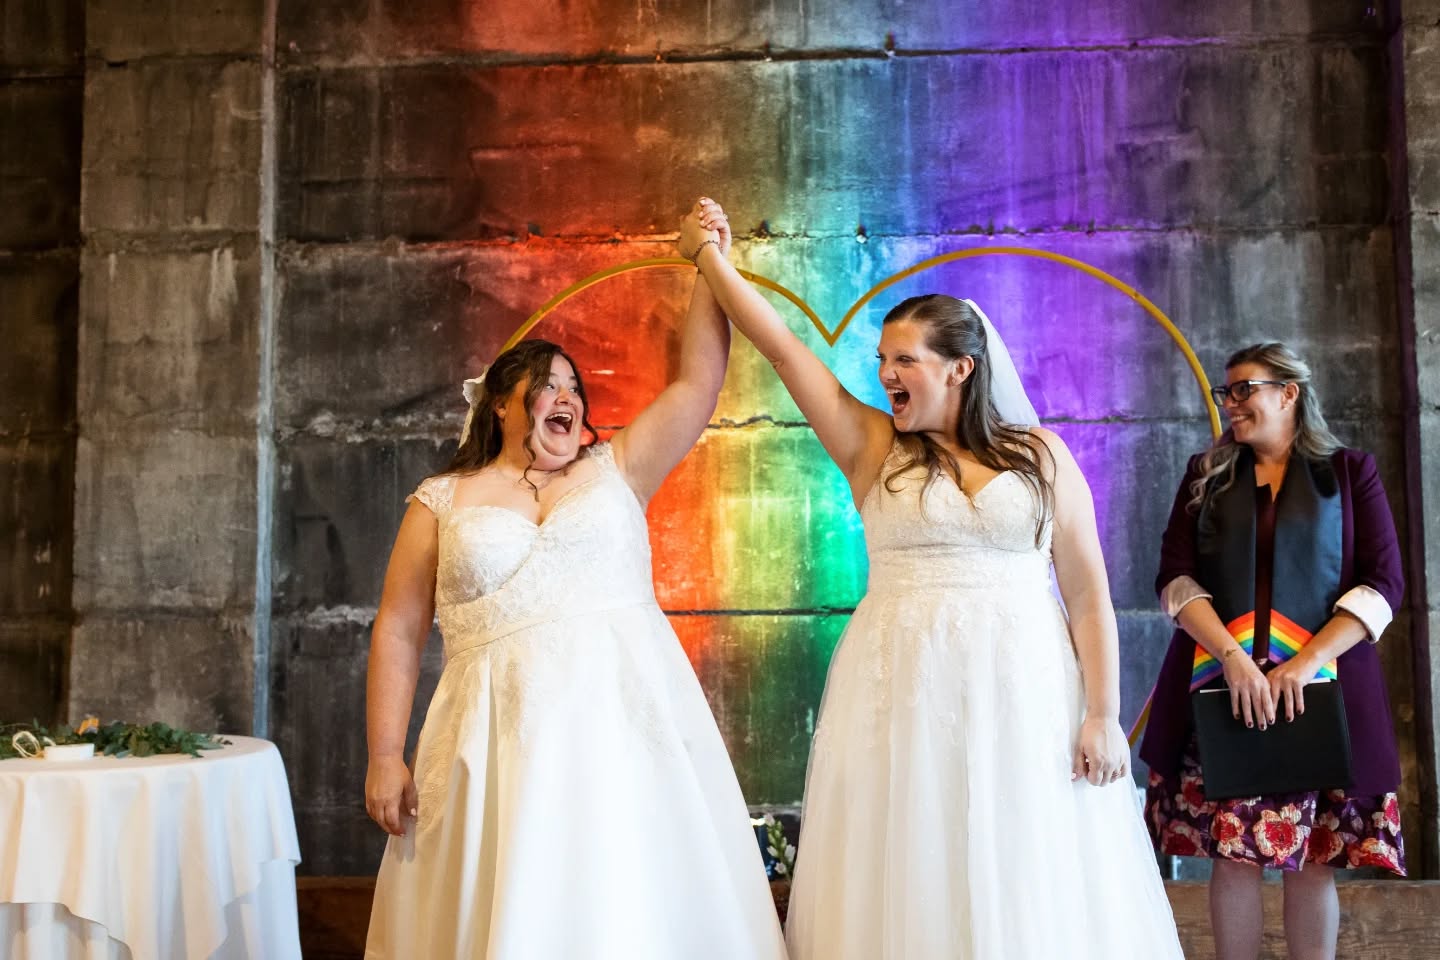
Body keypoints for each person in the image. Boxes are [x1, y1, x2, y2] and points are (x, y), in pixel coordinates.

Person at [680, 201, 1181, 959]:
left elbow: (1086, 595)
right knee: (915, 861)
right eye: (882, 359)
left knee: (1024, 861)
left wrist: (1103, 715)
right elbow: (782, 350)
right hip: (903, 693)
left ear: (960, 368)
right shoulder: (873, 445)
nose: (885, 374)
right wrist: (709, 259)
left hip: (1026, 697)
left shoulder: (1041, 455)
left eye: (904, 360)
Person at [363, 201, 787, 960]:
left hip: (620, 731)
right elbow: (397, 627)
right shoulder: (441, 500)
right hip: (493, 747)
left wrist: (707, 262)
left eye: (574, 388)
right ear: (501, 404)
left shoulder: (615, 468)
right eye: (547, 384)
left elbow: (697, 384)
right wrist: (385, 754)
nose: (568, 397)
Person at [1140, 342, 1405, 960]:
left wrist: (1304, 663)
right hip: (1224, 689)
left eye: (1244, 389)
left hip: (1321, 691)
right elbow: (1175, 579)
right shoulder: (1205, 476)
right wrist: (1233, 658)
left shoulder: (1350, 473)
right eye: (1225, 392)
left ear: (1289, 393)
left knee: (1312, 861)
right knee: (1232, 858)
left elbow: (1384, 583)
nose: (1230, 403)